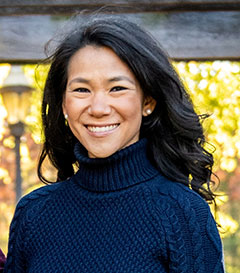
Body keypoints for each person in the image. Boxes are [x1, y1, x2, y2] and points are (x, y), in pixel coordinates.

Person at [4, 14, 224, 272]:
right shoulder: (33, 215)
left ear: (148, 102)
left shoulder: (182, 214)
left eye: (117, 88)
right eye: (81, 90)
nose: (98, 108)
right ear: (64, 103)